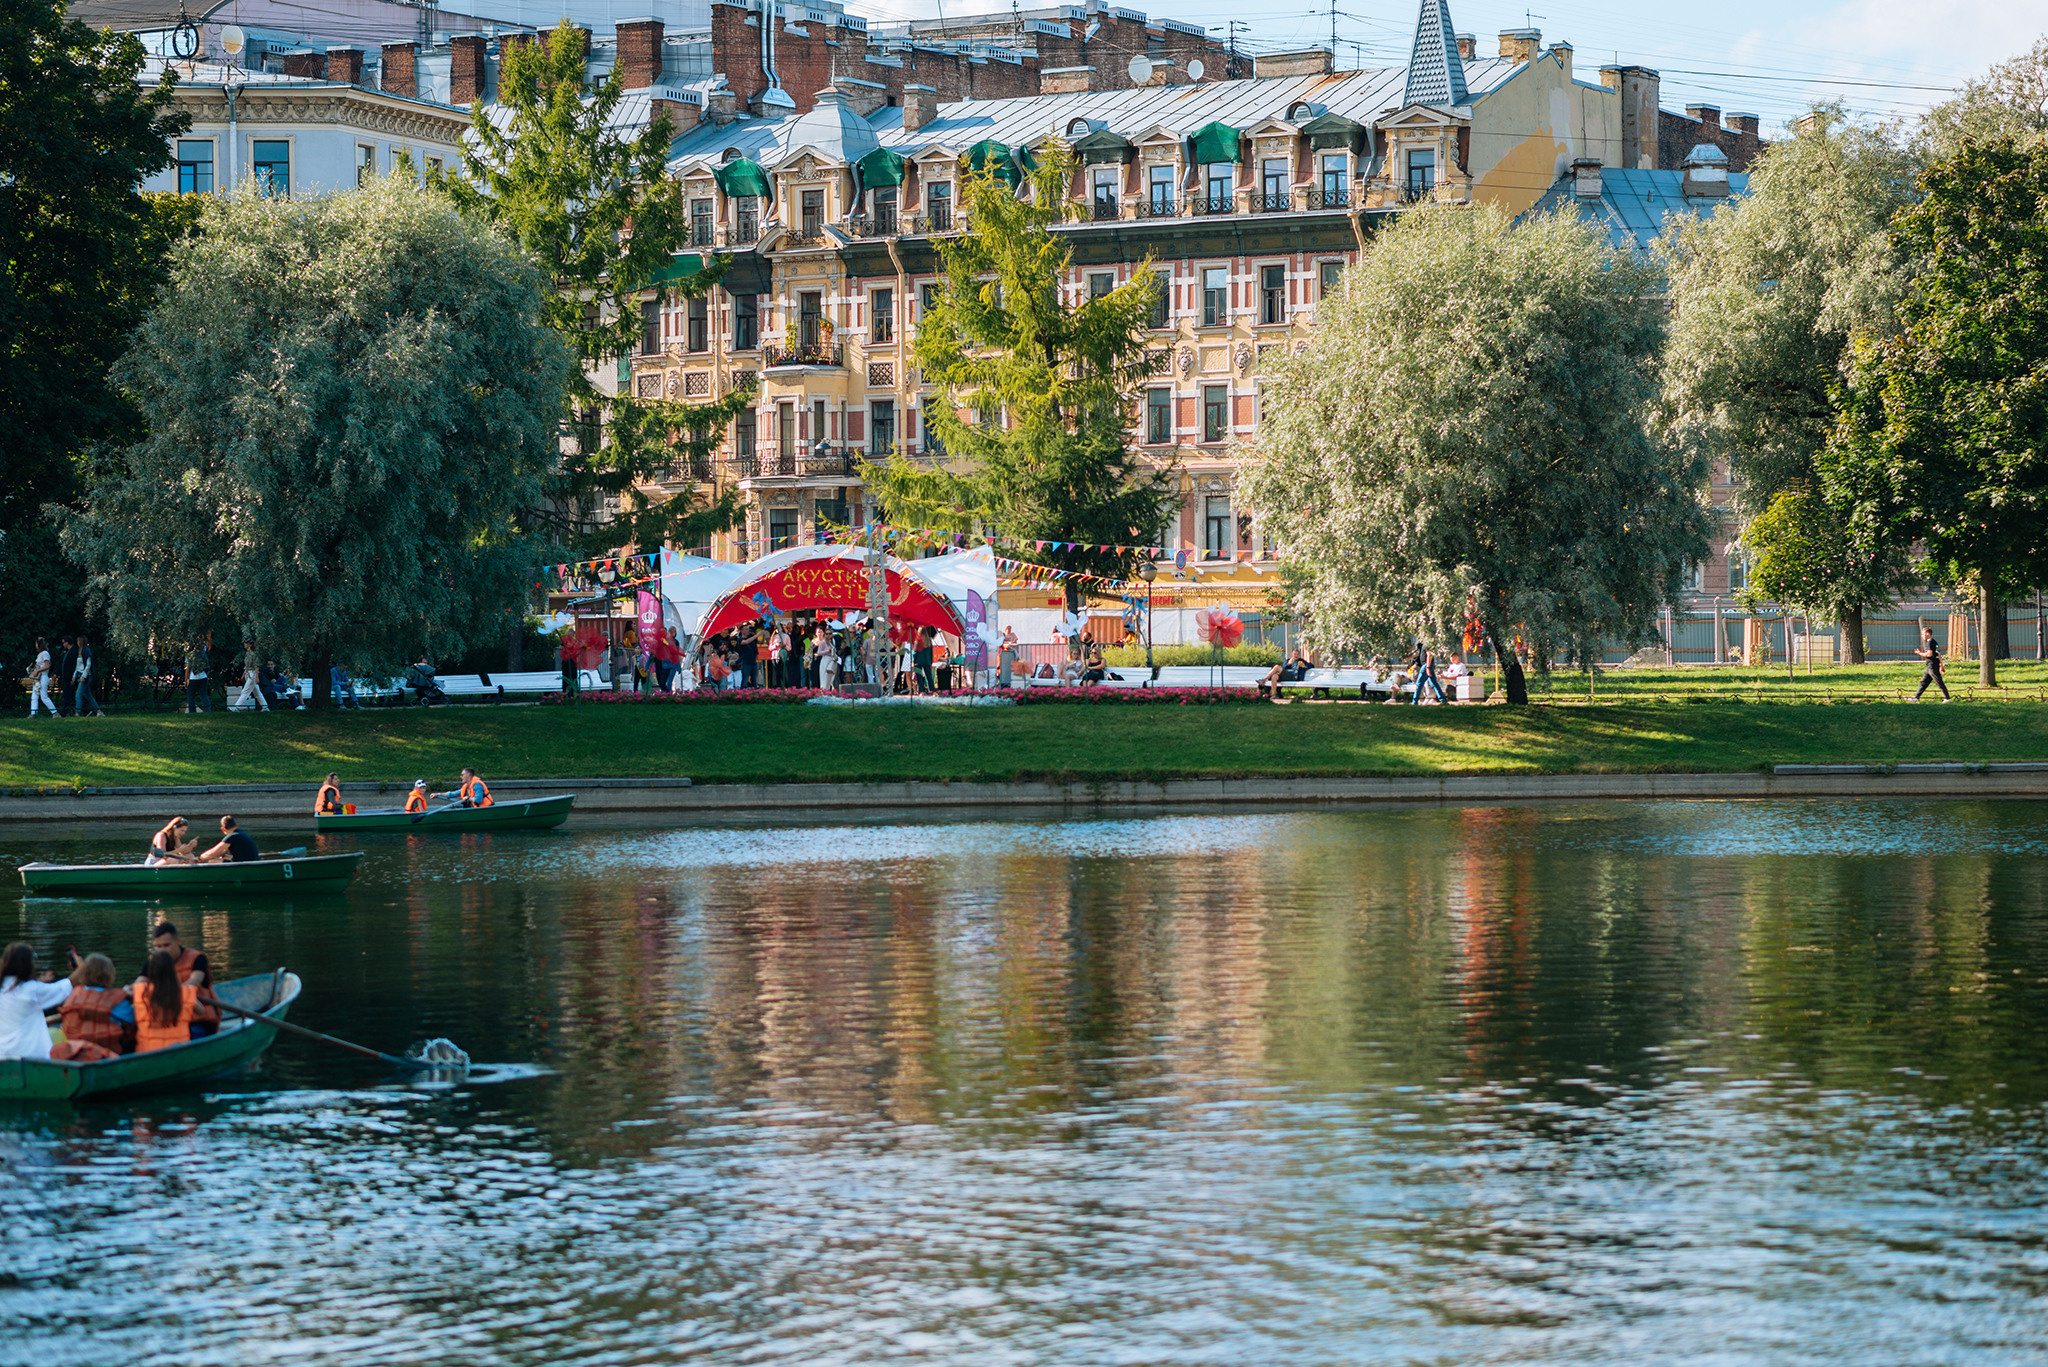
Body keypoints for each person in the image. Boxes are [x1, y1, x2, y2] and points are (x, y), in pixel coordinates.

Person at [0, 943, 82, 1060]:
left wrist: (40, 983)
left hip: (4, 1058)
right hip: (32, 1060)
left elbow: (20, 994)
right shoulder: (32, 989)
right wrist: (82, 968)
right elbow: (64, 987)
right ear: (26, 965)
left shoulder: (4, 987)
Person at [148, 921, 218, 1037]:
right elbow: (140, 982)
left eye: (166, 945)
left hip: (200, 1021)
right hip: (172, 1021)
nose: (162, 951)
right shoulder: (153, 962)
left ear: (178, 941)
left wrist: (172, 991)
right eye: (159, 947)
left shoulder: (198, 958)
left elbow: (195, 981)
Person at [57, 953, 132, 1060]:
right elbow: (132, 1018)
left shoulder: (73, 994)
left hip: (75, 1051)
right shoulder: (116, 1000)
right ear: (109, 975)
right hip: (106, 1053)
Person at [132, 949, 202, 1053]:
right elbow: (201, 1011)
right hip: (180, 1050)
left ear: (150, 971)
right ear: (172, 970)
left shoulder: (139, 990)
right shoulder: (185, 992)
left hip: (145, 1052)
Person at [1913, 626, 1951, 702]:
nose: (1922, 636)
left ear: (1927, 633)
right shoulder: (1935, 642)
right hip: (1931, 666)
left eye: (1923, 634)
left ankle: (1947, 698)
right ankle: (1916, 697)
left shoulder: (1929, 642)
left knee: (1939, 682)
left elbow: (1929, 654)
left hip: (1932, 665)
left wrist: (1920, 653)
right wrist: (1941, 665)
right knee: (1923, 682)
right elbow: (1939, 654)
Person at [1410, 641, 1448, 705]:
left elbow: (1429, 655)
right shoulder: (1423, 645)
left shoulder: (1427, 644)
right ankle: (1443, 699)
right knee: (1433, 683)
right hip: (1428, 665)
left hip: (1426, 665)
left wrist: (1427, 667)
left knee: (1419, 683)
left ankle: (1414, 701)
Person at [72, 637, 102, 716]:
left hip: (85, 675)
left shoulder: (86, 651)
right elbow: (77, 665)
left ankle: (77, 712)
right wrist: (74, 675)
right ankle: (98, 711)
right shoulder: (79, 651)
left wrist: (84, 676)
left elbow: (88, 665)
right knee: (88, 695)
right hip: (79, 673)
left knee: (78, 694)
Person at [27, 636, 55, 717]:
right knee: (34, 696)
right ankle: (33, 713)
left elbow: (47, 665)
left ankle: (55, 712)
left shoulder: (45, 654)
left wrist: (38, 670)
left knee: (44, 697)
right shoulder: (40, 654)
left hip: (43, 676)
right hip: (38, 678)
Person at [185, 645, 210, 713]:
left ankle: (192, 711)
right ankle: (207, 710)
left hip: (193, 678)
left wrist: (186, 681)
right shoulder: (203, 656)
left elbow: (188, 670)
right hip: (203, 677)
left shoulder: (190, 656)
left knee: (191, 696)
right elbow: (207, 667)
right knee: (204, 695)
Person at [55, 637, 77, 716]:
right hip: (66, 677)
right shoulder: (67, 652)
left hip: (69, 677)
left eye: (64, 642)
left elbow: (73, 666)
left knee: (68, 695)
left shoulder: (73, 652)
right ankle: (67, 711)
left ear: (67, 642)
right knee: (68, 695)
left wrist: (73, 677)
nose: (63, 644)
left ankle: (65, 712)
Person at [914, 627, 937, 694]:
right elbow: (931, 652)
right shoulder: (929, 640)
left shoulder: (917, 640)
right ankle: (932, 690)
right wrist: (931, 661)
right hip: (927, 661)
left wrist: (913, 661)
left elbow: (915, 652)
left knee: (919, 677)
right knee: (929, 676)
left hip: (918, 661)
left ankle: (921, 691)